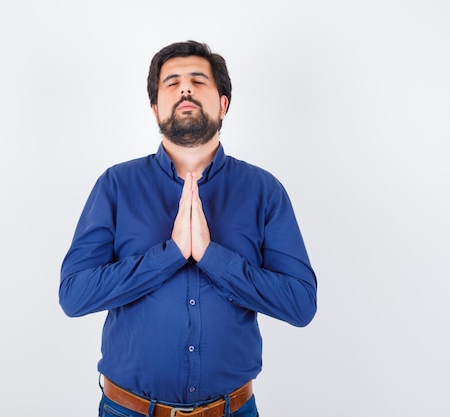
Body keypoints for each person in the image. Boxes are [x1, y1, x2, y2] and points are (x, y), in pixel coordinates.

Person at [60, 40, 317, 417]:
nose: (185, 88)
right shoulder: (116, 185)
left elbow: (300, 304)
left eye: (199, 80)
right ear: (155, 109)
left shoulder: (264, 191)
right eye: (172, 82)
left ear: (223, 104)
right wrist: (171, 254)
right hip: (128, 410)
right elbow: (74, 295)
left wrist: (214, 257)